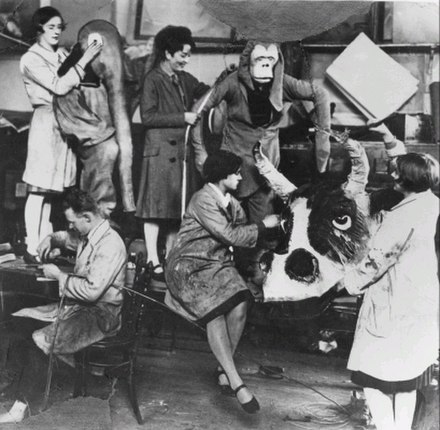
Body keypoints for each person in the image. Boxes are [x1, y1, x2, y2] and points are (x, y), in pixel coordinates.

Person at [191, 40, 331, 286]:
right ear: (248, 62)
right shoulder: (233, 82)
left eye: (270, 61)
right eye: (259, 61)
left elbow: (320, 93)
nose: (266, 66)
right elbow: (199, 109)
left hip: (264, 168)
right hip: (232, 165)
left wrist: (323, 145)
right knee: (224, 226)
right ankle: (216, 277)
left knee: (263, 229)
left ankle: (256, 284)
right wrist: (200, 152)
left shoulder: (283, 82)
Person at [165, 150, 280, 413]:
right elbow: (230, 235)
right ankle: (236, 381)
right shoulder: (202, 200)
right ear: (221, 175)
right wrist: (264, 225)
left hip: (215, 265)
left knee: (241, 303)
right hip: (189, 267)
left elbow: (241, 235)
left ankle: (221, 368)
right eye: (235, 173)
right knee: (215, 313)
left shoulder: (232, 202)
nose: (240, 178)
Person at [0, 189, 127, 423]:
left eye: (73, 223)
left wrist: (59, 275)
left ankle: (20, 408)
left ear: (87, 217)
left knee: (40, 338)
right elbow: (67, 238)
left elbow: (91, 291)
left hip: (100, 316)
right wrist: (52, 238)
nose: (72, 228)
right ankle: (16, 387)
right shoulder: (91, 233)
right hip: (80, 307)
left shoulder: (110, 244)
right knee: (19, 319)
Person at [342, 125, 439, 430]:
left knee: (372, 379)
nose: (393, 175)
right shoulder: (431, 203)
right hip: (420, 302)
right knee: (406, 382)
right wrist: (386, 134)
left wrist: (346, 282)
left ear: (404, 180)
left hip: (394, 304)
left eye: (397, 173)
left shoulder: (401, 217)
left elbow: (376, 261)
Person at [19, 6, 102, 263]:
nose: (56, 32)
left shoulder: (60, 54)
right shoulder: (31, 59)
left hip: (64, 123)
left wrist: (81, 55)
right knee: (38, 190)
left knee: (51, 193)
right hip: (45, 124)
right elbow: (58, 86)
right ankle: (31, 246)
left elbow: (84, 82)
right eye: (51, 27)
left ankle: (42, 246)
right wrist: (84, 58)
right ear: (40, 29)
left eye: (59, 27)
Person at [135, 25, 210, 281]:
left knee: (174, 209)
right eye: (182, 55)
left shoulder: (185, 79)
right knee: (154, 209)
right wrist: (183, 117)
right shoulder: (152, 79)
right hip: (158, 154)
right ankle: (153, 260)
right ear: (168, 53)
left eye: (188, 55)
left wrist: (226, 78)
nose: (186, 60)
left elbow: (207, 91)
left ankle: (169, 257)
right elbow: (148, 117)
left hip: (179, 155)